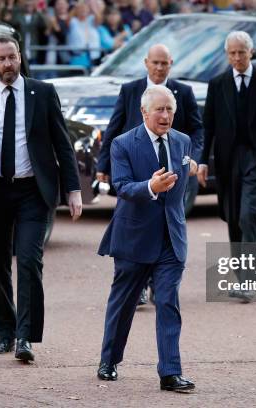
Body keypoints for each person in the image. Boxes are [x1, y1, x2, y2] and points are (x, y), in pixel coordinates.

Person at [0, 36, 82, 362]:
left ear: (20, 57)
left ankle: (25, 337)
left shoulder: (43, 92)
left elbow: (62, 144)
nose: (9, 64)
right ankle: (5, 334)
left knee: (28, 260)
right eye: (2, 59)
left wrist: (73, 189)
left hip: (32, 192)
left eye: (13, 57)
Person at [96, 85, 197, 392]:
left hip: (170, 238)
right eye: (160, 110)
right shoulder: (122, 144)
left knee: (168, 302)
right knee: (123, 304)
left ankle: (170, 372)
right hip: (134, 238)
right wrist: (151, 187)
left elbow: (180, 192)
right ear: (144, 112)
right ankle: (109, 360)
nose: (166, 116)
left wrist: (189, 169)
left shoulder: (183, 141)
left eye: (170, 110)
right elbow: (123, 187)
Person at [95, 43, 203, 305]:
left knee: (166, 223)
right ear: (146, 63)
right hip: (136, 171)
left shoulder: (184, 92)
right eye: (154, 62)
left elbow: (197, 130)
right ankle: (141, 282)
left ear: (170, 64)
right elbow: (115, 127)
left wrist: (193, 160)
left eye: (163, 63)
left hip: (174, 170)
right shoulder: (130, 90)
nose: (158, 67)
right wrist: (102, 165)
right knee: (138, 226)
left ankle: (161, 282)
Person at [197, 30, 256, 264]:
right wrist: (204, 161)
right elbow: (209, 126)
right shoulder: (217, 84)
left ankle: (249, 279)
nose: (237, 58)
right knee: (235, 218)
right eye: (232, 53)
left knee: (249, 215)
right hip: (228, 160)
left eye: (242, 53)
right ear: (226, 55)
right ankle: (241, 275)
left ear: (251, 52)